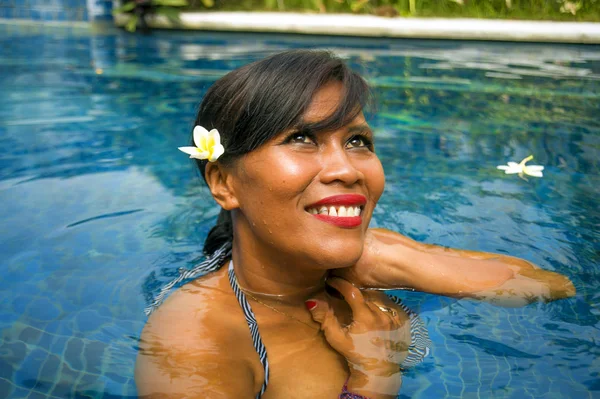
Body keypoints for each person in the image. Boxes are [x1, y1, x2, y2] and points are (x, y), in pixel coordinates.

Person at [135, 50, 575, 399]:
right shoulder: (196, 341)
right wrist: (374, 378)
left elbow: (552, 287)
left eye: (357, 141)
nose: (346, 169)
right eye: (301, 138)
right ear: (224, 182)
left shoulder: (374, 255)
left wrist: (396, 259)